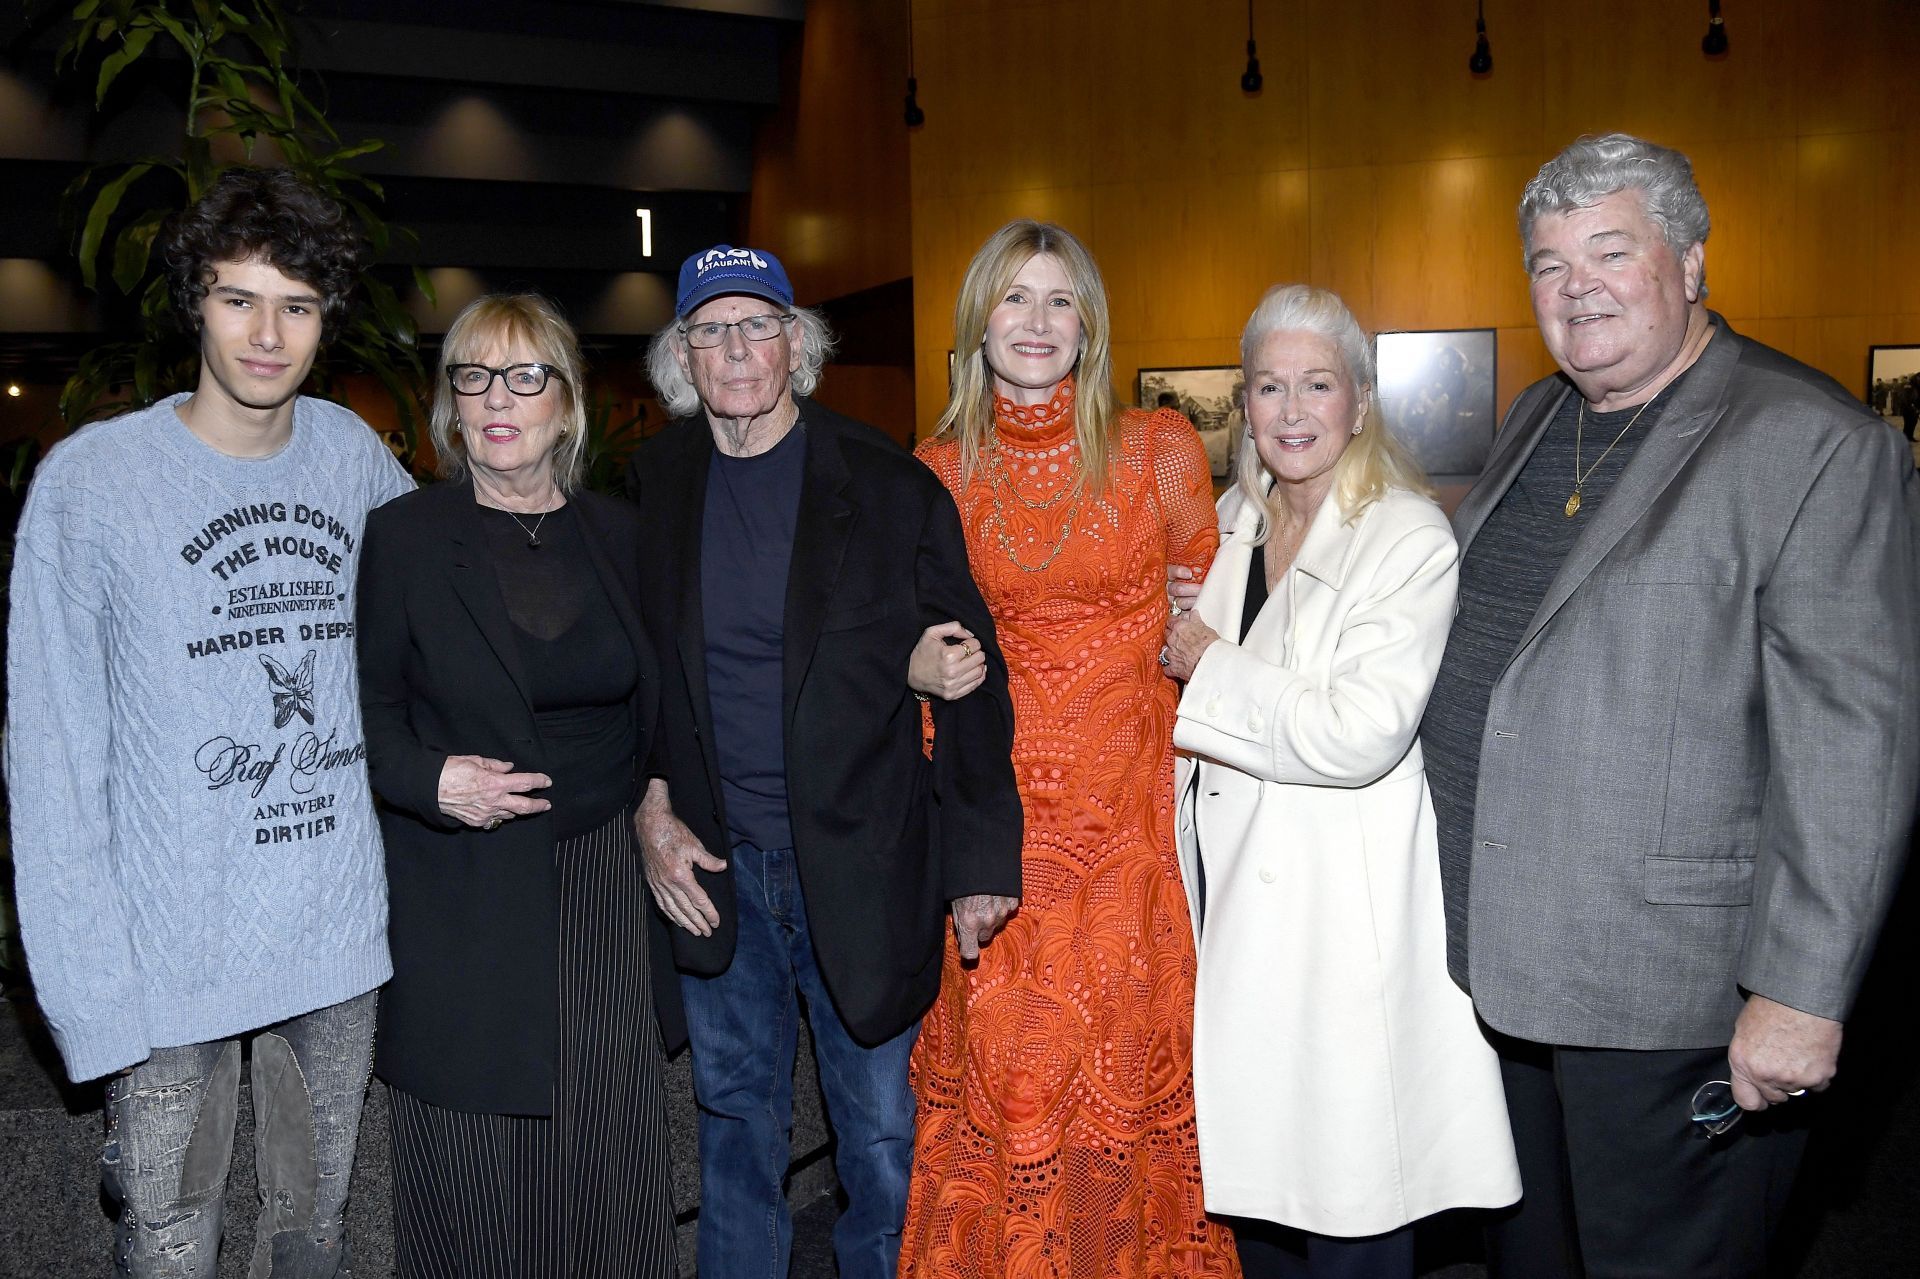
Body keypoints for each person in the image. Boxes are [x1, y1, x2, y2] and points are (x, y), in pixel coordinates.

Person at [1420, 133, 1920, 1278]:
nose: (1575, 284)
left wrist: (1797, 996)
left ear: (1690, 263)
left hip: (1668, 997)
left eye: (1610, 249)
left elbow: (1857, 747)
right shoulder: (1540, 417)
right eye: (1548, 263)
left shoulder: (1812, 446)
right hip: (1495, 972)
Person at [5, 167, 412, 1276]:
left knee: (308, 1237)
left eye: (297, 304)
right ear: (196, 303)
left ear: (327, 318)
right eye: (239, 298)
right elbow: (50, 761)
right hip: (167, 955)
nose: (267, 333)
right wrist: (88, 996)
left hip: (331, 939)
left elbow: (434, 646)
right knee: (171, 1244)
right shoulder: (94, 485)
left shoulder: (354, 461)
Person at [628, 245, 1024, 1279]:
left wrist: (981, 859)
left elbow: (974, 673)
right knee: (734, 1136)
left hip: (858, 866)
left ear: (798, 346)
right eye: (711, 331)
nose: (737, 350)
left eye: (758, 325)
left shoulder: (887, 484)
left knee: (882, 1143)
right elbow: (642, 672)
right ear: (682, 357)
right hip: (718, 877)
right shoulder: (656, 483)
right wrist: (650, 803)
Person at [898, 219, 1238, 1277]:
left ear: (1089, 323)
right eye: (1013, 299)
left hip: (1131, 835)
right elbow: (896, 648)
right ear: (977, 324)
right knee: (1016, 1083)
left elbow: (1216, 614)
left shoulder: (1161, 450)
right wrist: (911, 668)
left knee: (1120, 1075)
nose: (1036, 322)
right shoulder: (935, 472)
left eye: (1058, 300)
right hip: (999, 832)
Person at [1160, 284, 1519, 1278]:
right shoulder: (1233, 520)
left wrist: (1207, 660)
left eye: (1317, 384)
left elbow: (1359, 730)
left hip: (1339, 930)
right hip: (1241, 916)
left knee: (1352, 1210)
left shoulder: (1405, 535)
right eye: (1269, 386)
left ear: (1361, 400)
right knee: (1269, 1218)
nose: (1292, 410)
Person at [355, 294, 677, 1276]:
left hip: (606, 899)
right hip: (469, 903)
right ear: (451, 404)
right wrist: (430, 779)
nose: (499, 398)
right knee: (487, 1176)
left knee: (608, 1156)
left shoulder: (622, 535)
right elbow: (357, 716)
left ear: (568, 405)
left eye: (526, 375)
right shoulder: (405, 537)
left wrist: (659, 795)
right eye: (474, 375)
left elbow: (663, 704)